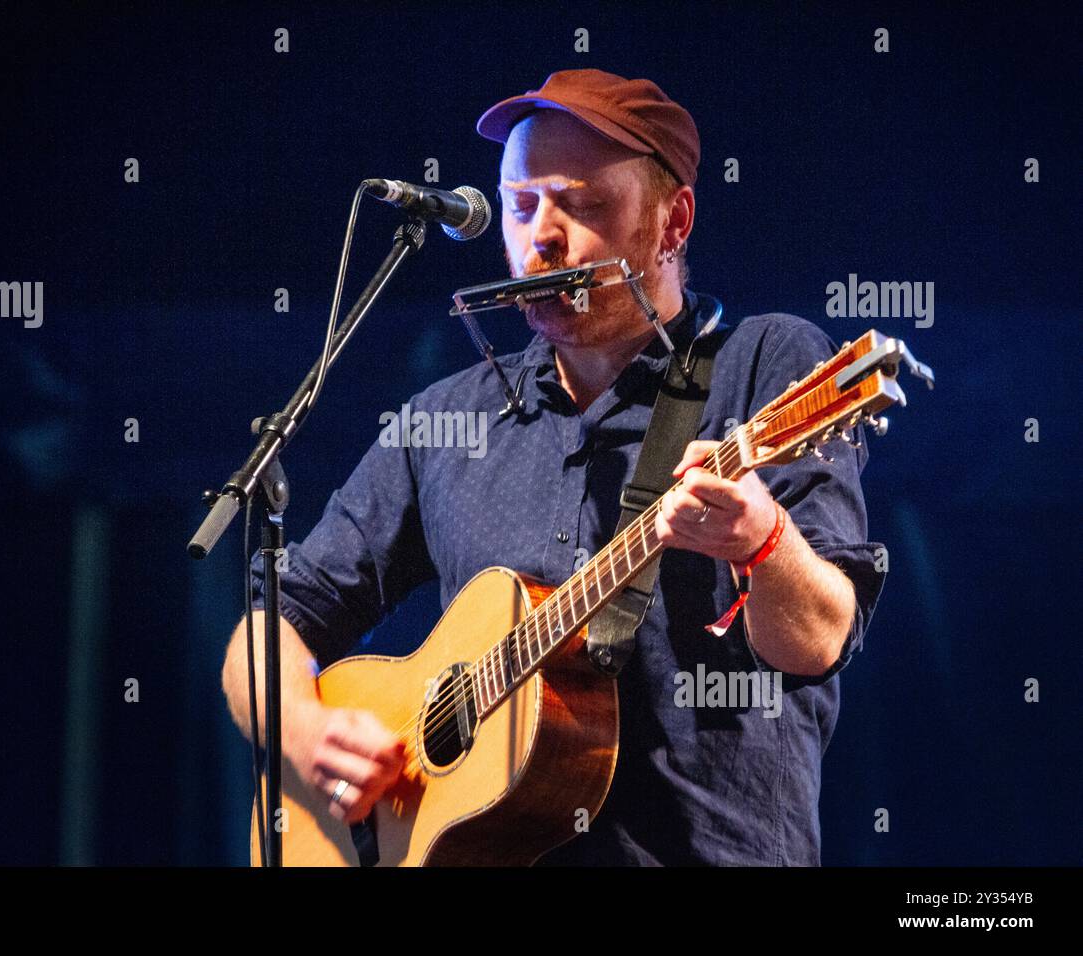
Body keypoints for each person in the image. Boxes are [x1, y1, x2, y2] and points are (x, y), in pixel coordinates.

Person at [222, 69, 885, 865]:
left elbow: (816, 641)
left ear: (673, 223)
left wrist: (764, 541)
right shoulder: (444, 420)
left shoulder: (765, 362)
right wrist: (309, 730)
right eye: (523, 204)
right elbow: (268, 630)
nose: (543, 235)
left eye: (583, 204)